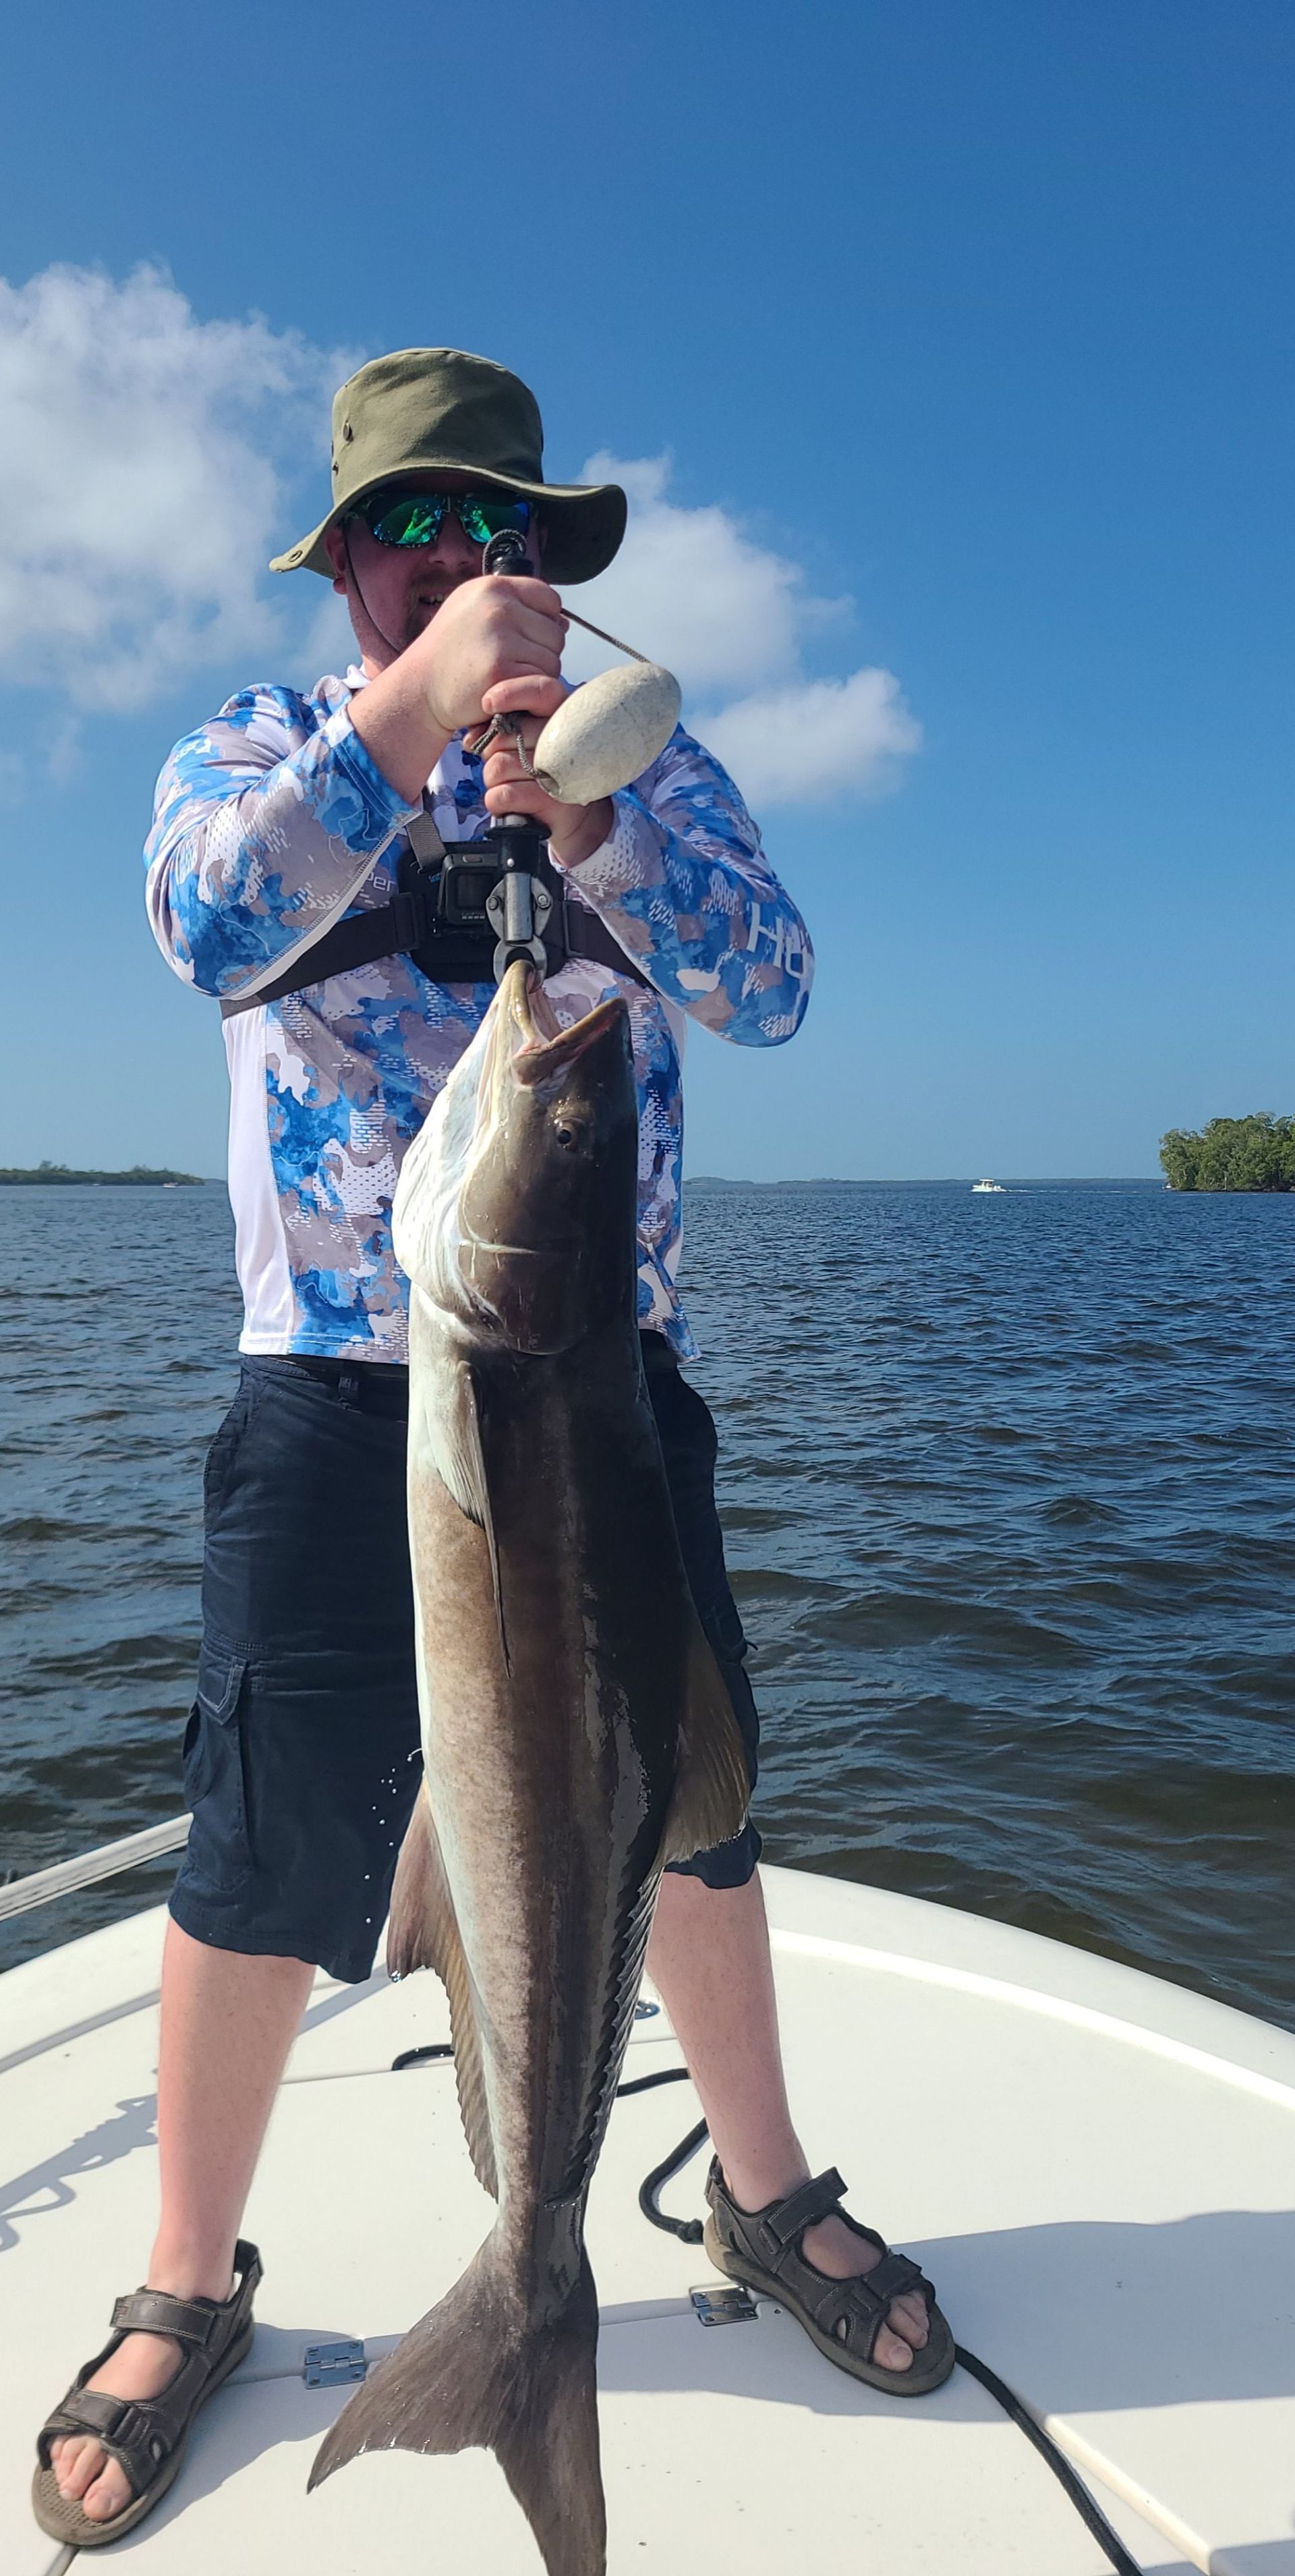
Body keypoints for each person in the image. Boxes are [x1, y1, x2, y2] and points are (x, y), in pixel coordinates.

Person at [34, 347, 953, 2548]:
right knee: (258, 1858)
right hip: (339, 1404)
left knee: (685, 1814)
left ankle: (756, 2190)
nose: (473, 565)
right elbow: (204, 920)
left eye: (506, 532)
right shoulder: (267, 743)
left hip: (598, 1396)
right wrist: (410, 723)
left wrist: (598, 819)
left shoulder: (655, 772)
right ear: (346, 559)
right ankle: (187, 2277)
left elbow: (775, 986)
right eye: (421, 530)